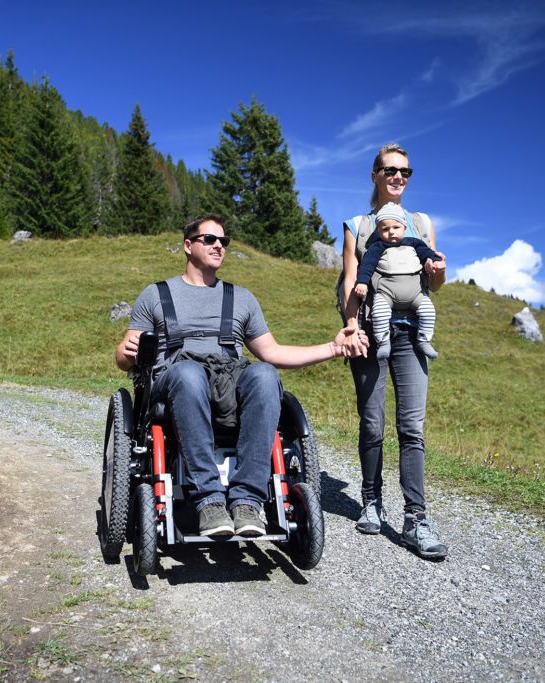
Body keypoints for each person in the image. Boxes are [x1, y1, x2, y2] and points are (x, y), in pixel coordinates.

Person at [116, 214, 365, 538]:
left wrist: (332, 348)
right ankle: (209, 502)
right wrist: (125, 349)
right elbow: (125, 361)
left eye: (223, 241)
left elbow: (273, 353)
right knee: (190, 374)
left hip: (228, 377)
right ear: (188, 246)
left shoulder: (242, 299)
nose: (219, 245)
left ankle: (247, 502)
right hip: (175, 380)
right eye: (210, 239)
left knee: (263, 374)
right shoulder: (155, 294)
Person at [339, 143, 449, 559]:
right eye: (390, 170)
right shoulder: (358, 224)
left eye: (405, 171)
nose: (398, 177)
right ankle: (370, 500)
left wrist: (438, 273)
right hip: (371, 331)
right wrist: (352, 326)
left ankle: (415, 518)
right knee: (372, 422)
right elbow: (352, 279)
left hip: (411, 332)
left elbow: (433, 285)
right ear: (375, 175)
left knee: (412, 428)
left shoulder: (421, 222)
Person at [353, 202, 445, 361]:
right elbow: (367, 265)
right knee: (379, 312)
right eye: (385, 229)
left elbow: (427, 254)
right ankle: (383, 342)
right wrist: (362, 282)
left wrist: (434, 262)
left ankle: (424, 340)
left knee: (428, 311)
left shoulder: (414, 243)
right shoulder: (377, 247)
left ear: (404, 227)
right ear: (379, 231)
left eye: (396, 227)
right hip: (387, 293)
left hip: (416, 293)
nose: (391, 232)